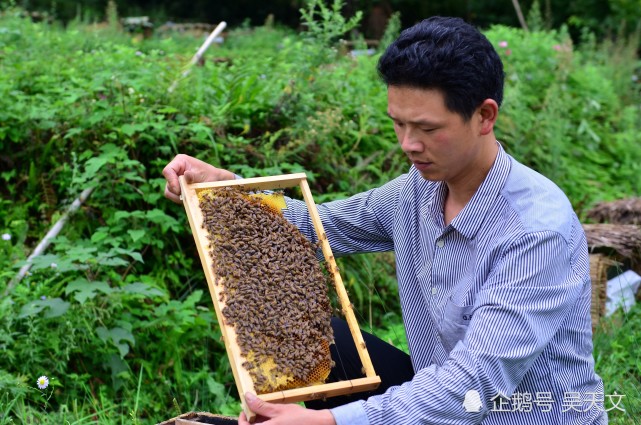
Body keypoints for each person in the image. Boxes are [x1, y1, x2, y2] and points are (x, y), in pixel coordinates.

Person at [163, 16, 607, 425]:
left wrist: (332, 422)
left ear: (484, 116)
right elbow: (315, 228)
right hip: (445, 391)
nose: (409, 145)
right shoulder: (417, 189)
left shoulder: (533, 230)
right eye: (398, 124)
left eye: (428, 129)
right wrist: (223, 190)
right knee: (330, 339)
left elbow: (475, 384)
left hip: (514, 411)